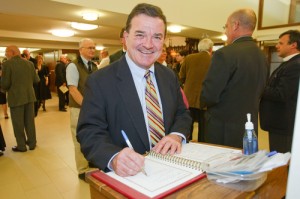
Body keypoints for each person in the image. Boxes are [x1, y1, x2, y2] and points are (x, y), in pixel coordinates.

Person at [77, 3, 192, 177]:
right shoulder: (100, 81)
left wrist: (176, 135)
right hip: (130, 177)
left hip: (171, 170)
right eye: (140, 35)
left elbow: (182, 114)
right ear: (126, 37)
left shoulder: (169, 76)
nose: (148, 44)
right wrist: (114, 157)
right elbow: (89, 132)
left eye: (157, 37)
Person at [200, 8, 268, 148]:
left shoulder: (224, 54)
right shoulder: (261, 56)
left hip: (223, 127)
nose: (225, 31)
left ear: (235, 25)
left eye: (226, 26)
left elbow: (210, 94)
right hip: (249, 125)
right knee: (243, 164)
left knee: (219, 167)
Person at [260, 30, 300, 153]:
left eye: (281, 43)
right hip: (279, 124)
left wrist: (259, 88)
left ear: (293, 45)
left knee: (281, 162)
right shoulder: (288, 63)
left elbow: (281, 94)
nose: (277, 46)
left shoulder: (295, 65)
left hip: (283, 124)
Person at [66, 38, 98, 180]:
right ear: (81, 50)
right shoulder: (73, 66)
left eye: (93, 48)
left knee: (93, 136)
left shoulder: (94, 66)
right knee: (79, 139)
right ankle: (82, 170)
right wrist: (87, 107)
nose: (92, 50)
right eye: (89, 47)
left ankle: (91, 163)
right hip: (79, 110)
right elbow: (73, 90)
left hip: (93, 110)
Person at [2, 45, 40, 152]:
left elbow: (5, 84)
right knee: (30, 121)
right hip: (30, 96)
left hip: (16, 98)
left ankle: (21, 146)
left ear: (13, 52)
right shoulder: (30, 63)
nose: (5, 54)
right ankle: (32, 143)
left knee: (18, 123)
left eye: (6, 52)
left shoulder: (7, 64)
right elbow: (36, 80)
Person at [179, 38, 214, 142]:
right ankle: (201, 148)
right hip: (204, 100)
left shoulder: (189, 58)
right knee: (203, 128)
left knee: (187, 125)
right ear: (211, 49)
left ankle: (186, 144)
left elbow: (181, 76)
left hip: (188, 98)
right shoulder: (213, 60)